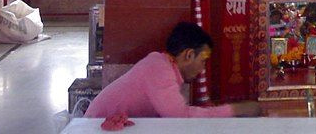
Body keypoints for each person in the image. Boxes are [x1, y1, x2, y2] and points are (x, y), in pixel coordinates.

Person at [85, 22, 261, 118]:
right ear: (189, 55)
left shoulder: (161, 63)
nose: (203, 68)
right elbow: (179, 116)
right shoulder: (159, 69)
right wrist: (236, 110)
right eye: (203, 60)